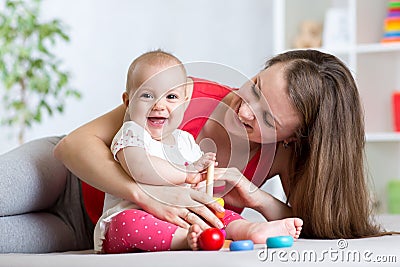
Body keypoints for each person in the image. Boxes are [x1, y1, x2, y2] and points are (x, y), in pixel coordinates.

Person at [0, 49, 383, 253]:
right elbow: (74, 146)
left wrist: (257, 198)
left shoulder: (281, 156)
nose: (244, 107)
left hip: (92, 230)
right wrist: (147, 194)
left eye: (266, 116)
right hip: (63, 176)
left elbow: (309, 223)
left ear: (293, 139)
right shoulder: (184, 91)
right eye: (254, 86)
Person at [95, 50, 302, 253]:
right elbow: (140, 168)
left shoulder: (184, 140)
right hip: (133, 213)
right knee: (128, 224)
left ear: (185, 102)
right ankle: (187, 240)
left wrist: (207, 177)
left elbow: (201, 185)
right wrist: (188, 174)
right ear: (128, 102)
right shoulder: (131, 133)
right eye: (147, 96)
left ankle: (250, 230)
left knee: (219, 212)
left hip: (182, 215)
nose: (159, 105)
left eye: (171, 97)